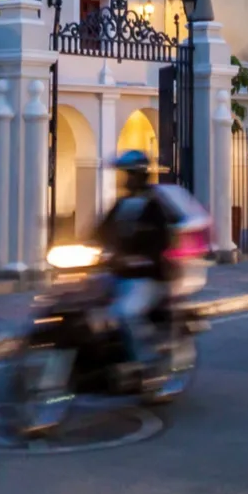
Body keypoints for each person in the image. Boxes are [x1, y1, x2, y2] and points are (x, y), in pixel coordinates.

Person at [94, 150, 172, 382]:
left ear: (139, 176)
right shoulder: (121, 205)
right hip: (117, 273)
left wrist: (142, 258)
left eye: (128, 174)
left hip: (145, 278)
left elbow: (162, 241)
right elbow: (99, 231)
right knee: (82, 305)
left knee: (125, 313)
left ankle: (145, 362)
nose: (124, 179)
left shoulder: (154, 207)